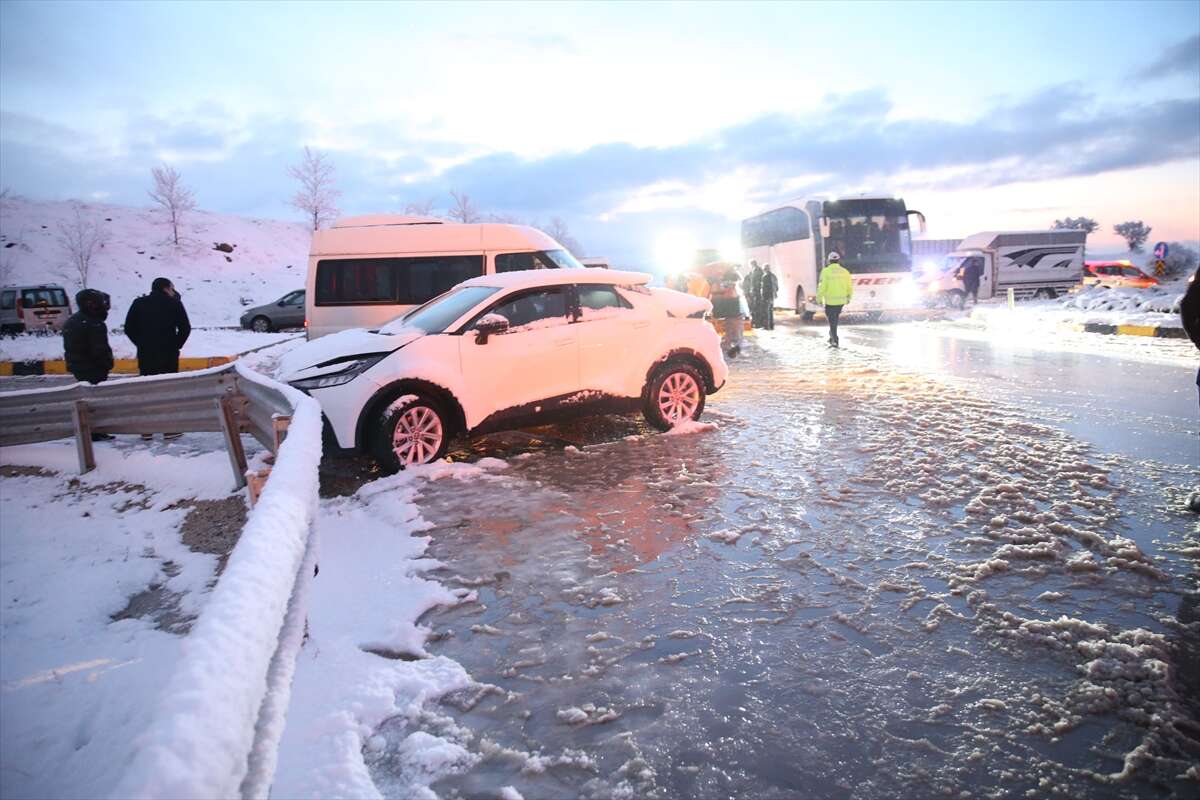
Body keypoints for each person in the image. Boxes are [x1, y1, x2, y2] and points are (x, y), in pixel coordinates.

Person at [125, 277, 191, 439]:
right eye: (172, 288)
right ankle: (169, 429)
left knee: (147, 389)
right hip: (168, 353)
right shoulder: (174, 303)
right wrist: (176, 344)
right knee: (167, 390)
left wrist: (141, 343)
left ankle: (147, 429)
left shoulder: (139, 303)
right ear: (166, 288)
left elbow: (128, 327)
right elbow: (185, 328)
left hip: (146, 353)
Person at [62, 288, 115, 440]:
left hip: (78, 366)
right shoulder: (94, 323)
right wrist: (107, 363)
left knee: (87, 398)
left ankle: (91, 429)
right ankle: (95, 431)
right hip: (94, 368)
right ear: (91, 304)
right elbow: (99, 349)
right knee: (95, 400)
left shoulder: (73, 321)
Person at [816, 251, 853, 348]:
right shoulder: (845, 272)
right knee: (834, 320)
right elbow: (849, 286)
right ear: (838, 260)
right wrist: (849, 297)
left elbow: (822, 287)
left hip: (830, 302)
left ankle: (835, 339)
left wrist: (819, 298)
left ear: (829, 261)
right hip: (841, 302)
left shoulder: (826, 271)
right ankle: (832, 336)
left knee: (832, 320)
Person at [711, 264, 746, 357]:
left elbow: (725, 292)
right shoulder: (731, 280)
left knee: (730, 326)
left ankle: (729, 343)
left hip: (729, 306)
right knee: (734, 326)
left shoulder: (723, 280)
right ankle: (734, 345)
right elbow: (732, 291)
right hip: (733, 306)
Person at [745, 261, 764, 327]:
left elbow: (756, 282)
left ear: (752, 264)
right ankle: (756, 322)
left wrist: (753, 290)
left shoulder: (757, 271)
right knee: (755, 308)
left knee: (757, 308)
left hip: (757, 292)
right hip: (755, 292)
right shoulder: (754, 271)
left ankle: (758, 323)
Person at [760, 264, 779, 330]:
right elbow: (777, 287)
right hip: (772, 296)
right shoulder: (774, 276)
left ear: (765, 269)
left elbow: (764, 288)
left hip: (767, 296)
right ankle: (771, 325)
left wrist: (763, 296)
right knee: (770, 311)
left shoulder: (765, 277)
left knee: (766, 312)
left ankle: (766, 326)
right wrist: (774, 294)